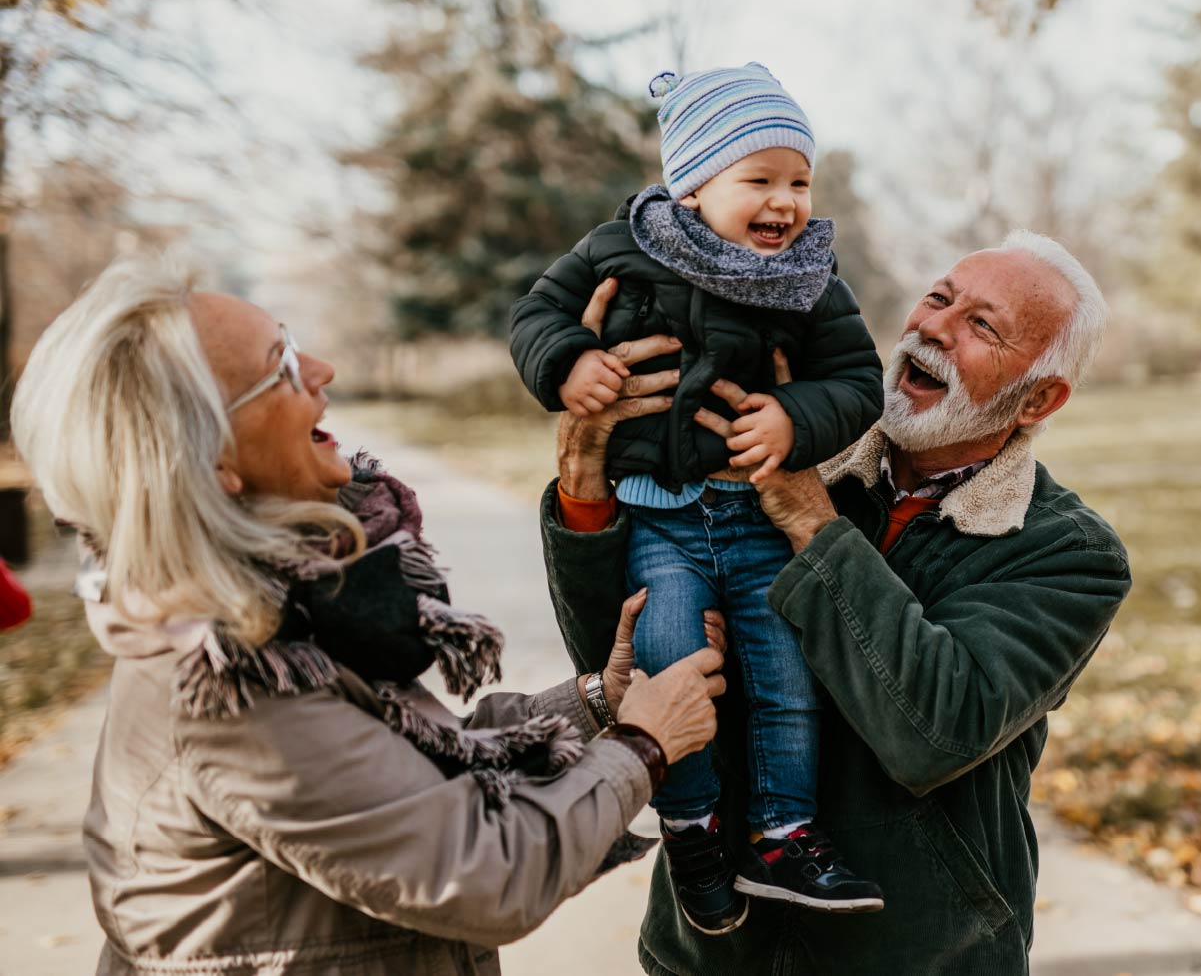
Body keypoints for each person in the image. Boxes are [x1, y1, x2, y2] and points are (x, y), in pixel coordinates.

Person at [9, 255, 728, 976]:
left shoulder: (271, 608)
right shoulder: (233, 680)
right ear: (211, 458)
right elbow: (478, 868)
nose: (322, 369)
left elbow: (403, 786)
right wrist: (643, 743)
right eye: (281, 365)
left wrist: (596, 702)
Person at [539, 230, 1132, 974]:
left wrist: (809, 519)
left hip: (917, 957)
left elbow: (935, 729)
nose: (934, 328)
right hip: (712, 950)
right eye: (938, 298)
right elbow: (626, 665)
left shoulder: (1065, 551)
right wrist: (585, 481)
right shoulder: (772, 446)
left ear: (1039, 397)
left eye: (982, 325)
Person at [511, 63, 885, 932]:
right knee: (673, 667)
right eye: (758, 179)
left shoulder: (809, 279)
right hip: (659, 516)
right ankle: (691, 828)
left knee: (784, 673)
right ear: (691, 185)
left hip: (757, 517)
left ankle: (784, 832)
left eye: (799, 181)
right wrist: (570, 360)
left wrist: (794, 417)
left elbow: (855, 380)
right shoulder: (618, 248)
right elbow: (538, 312)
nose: (785, 202)